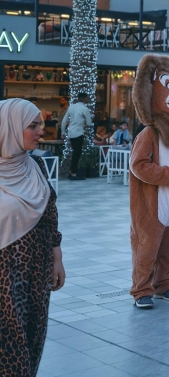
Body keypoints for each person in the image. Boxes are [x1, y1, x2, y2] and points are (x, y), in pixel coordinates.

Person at [0, 99, 65, 376]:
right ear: (10, 127)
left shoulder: (35, 164)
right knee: (10, 346)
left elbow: (50, 213)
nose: (41, 130)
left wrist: (57, 257)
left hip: (35, 273)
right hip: (5, 274)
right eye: (33, 125)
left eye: (41, 124)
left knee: (32, 338)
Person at [61, 92, 93, 180]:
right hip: (79, 133)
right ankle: (73, 173)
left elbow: (64, 121)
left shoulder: (71, 107)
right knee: (77, 154)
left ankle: (72, 172)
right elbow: (89, 123)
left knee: (74, 153)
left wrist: (63, 132)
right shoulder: (85, 109)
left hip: (71, 133)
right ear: (85, 98)